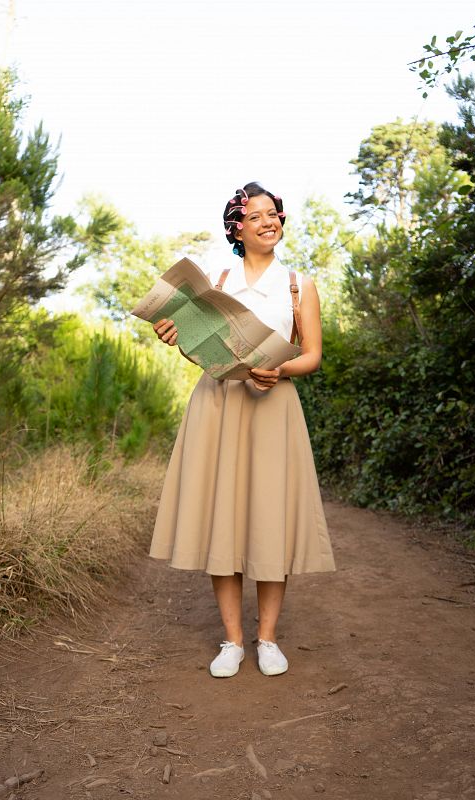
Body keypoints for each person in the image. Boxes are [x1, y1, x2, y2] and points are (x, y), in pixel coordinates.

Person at [150, 182, 335, 678]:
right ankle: (232, 640)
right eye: (256, 216)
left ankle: (268, 638)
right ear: (237, 226)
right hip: (219, 404)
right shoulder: (219, 279)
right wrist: (174, 333)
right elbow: (200, 347)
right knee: (224, 517)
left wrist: (282, 370)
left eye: (274, 214)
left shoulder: (299, 284)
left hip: (274, 408)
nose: (269, 222)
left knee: (269, 517)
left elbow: (312, 354)